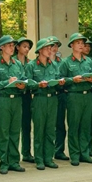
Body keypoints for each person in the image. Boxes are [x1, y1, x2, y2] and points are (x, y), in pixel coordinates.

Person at [0, 35, 27, 174]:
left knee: (15, 131)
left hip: (17, 99)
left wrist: (23, 86)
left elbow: (24, 79)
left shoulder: (17, 64)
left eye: (13, 45)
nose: (12, 48)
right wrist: (6, 82)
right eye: (9, 45)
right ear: (2, 47)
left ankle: (14, 161)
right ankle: (4, 162)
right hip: (2, 99)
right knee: (4, 132)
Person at [57, 33, 92, 166]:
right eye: (78, 43)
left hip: (87, 95)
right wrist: (72, 80)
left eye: (82, 43)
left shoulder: (90, 61)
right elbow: (60, 80)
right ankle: (74, 154)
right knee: (74, 125)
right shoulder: (66, 62)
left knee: (86, 125)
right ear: (72, 45)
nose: (81, 45)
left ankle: (84, 153)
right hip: (74, 95)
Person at [25, 39, 63, 170]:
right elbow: (27, 84)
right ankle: (39, 159)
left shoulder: (54, 65)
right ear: (40, 50)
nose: (49, 50)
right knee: (39, 129)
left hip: (52, 98)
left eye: (50, 48)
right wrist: (38, 85)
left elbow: (57, 79)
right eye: (47, 48)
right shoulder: (31, 65)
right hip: (39, 99)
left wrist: (60, 83)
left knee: (50, 129)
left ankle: (48, 158)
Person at [14, 37, 35, 163]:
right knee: (15, 127)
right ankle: (13, 155)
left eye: (28, 47)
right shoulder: (12, 61)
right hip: (15, 95)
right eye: (24, 46)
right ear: (18, 47)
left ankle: (26, 153)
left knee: (26, 125)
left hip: (27, 95)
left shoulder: (30, 63)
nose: (27, 49)